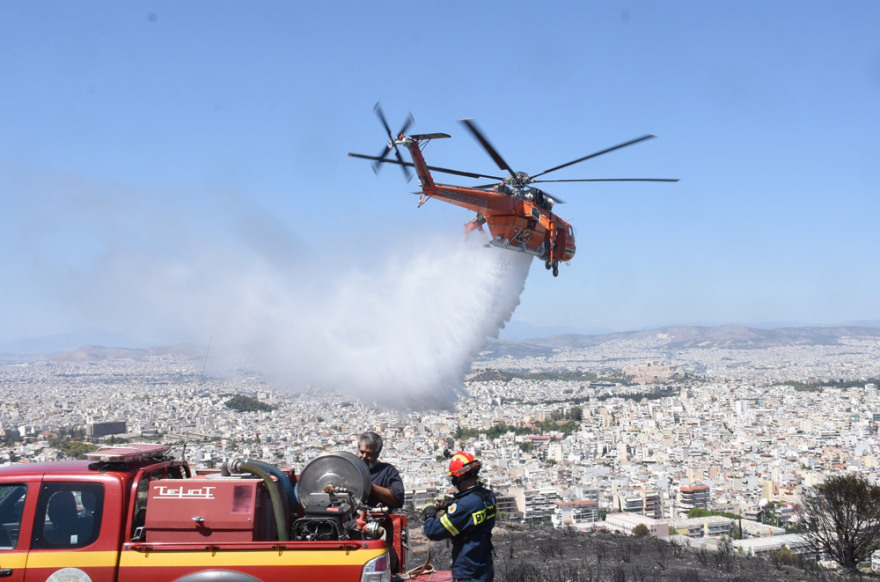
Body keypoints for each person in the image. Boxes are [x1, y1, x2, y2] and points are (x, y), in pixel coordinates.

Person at [422, 451, 496, 582]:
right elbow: (472, 515)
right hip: (485, 567)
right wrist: (453, 503)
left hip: (468, 571)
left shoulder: (463, 507)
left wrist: (429, 513)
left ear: (459, 478)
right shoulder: (489, 497)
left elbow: (433, 531)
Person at [357, 431, 404, 509]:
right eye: (362, 452)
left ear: (377, 454)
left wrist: (371, 487)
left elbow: (398, 499)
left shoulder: (388, 471)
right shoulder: (349, 469)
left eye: (369, 454)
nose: (364, 456)